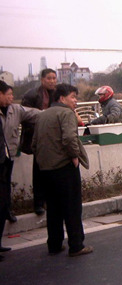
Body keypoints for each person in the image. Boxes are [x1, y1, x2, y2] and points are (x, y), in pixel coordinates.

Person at [32, 83, 93, 257]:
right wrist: (74, 157)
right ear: (62, 98)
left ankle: (54, 244)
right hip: (64, 168)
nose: (76, 101)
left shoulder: (43, 115)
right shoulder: (66, 113)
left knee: (54, 208)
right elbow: (69, 138)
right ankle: (76, 245)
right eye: (73, 97)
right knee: (72, 208)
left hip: (45, 169)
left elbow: (34, 144)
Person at [0, 80, 40, 261]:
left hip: (7, 158)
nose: (11, 97)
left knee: (4, 192)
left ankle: (7, 211)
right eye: (8, 94)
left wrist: (53, 114)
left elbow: (34, 114)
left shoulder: (15, 110)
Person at [21, 68, 57, 215]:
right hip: (37, 138)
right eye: (49, 78)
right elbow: (24, 118)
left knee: (53, 171)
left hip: (53, 138)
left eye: (54, 78)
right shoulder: (31, 95)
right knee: (39, 171)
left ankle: (51, 200)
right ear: (42, 79)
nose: (52, 81)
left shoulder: (57, 94)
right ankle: (38, 203)